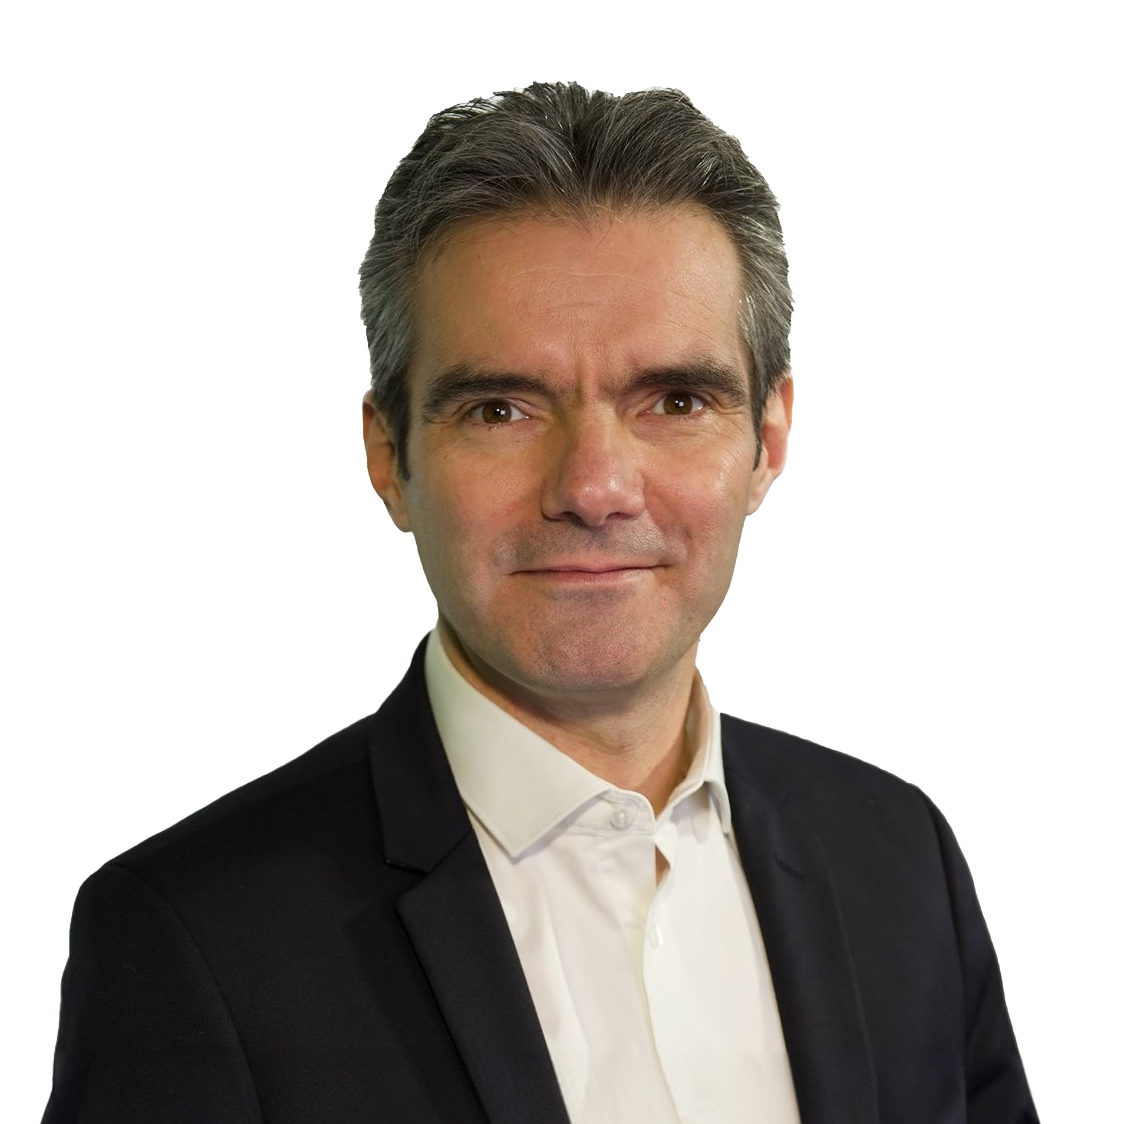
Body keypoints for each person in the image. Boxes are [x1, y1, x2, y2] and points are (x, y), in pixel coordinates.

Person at [41, 81, 1039, 1124]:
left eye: (676, 399)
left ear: (769, 438)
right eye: (500, 409)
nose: (593, 487)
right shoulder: (191, 943)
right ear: (388, 455)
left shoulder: (902, 860)